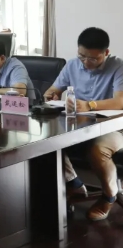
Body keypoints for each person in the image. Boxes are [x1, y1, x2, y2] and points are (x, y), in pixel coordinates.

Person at [44, 27, 123, 221]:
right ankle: (74, 183)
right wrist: (51, 94)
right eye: (82, 56)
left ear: (106, 52)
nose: (86, 62)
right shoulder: (72, 65)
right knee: (47, 142)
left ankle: (109, 196)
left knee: (98, 149)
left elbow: (120, 101)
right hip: (80, 126)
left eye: (93, 59)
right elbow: (54, 89)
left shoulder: (118, 67)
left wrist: (90, 105)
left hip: (113, 126)